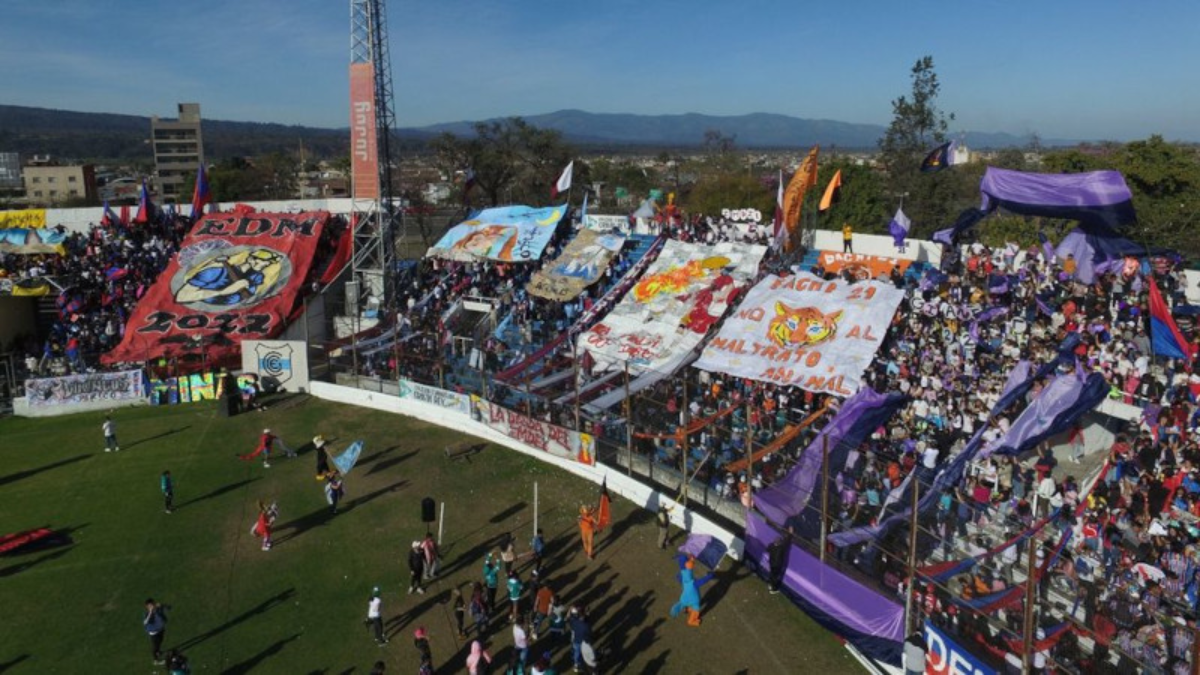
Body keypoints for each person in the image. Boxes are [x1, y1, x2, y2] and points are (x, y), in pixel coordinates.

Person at [143, 598, 168, 665]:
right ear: (148, 607)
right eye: (151, 605)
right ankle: (156, 660)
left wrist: (162, 605)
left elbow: (169, 607)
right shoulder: (147, 614)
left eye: (153, 604)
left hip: (161, 630)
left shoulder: (158, 609)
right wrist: (150, 613)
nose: (153, 606)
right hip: (154, 633)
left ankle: (158, 652)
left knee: (160, 642)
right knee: (155, 647)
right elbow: (145, 622)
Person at [568, 606, 592, 672]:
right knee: (579, 653)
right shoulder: (586, 626)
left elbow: (570, 619)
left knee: (576, 652)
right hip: (581, 642)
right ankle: (577, 664)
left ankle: (576, 663)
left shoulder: (575, 622)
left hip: (575, 640)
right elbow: (588, 634)